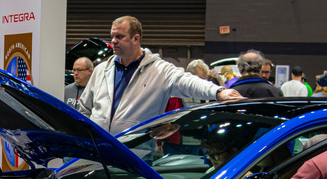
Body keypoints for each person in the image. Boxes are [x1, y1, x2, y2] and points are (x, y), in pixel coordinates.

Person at [78, 16, 240, 135]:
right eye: (112, 36)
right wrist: (87, 136)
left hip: (136, 154)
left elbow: (188, 82)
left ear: (136, 39)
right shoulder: (101, 70)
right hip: (99, 150)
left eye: (119, 37)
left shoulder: (160, 70)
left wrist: (218, 92)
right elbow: (84, 108)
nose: (113, 41)